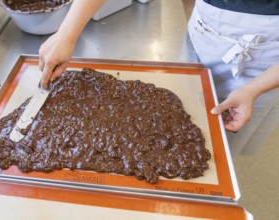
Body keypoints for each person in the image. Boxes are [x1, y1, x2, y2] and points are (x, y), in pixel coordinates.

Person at [39, 0, 279, 156]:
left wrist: (255, 89)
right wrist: (67, 33)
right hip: (204, 34)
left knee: (224, 147)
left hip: (265, 67)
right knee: (183, 114)